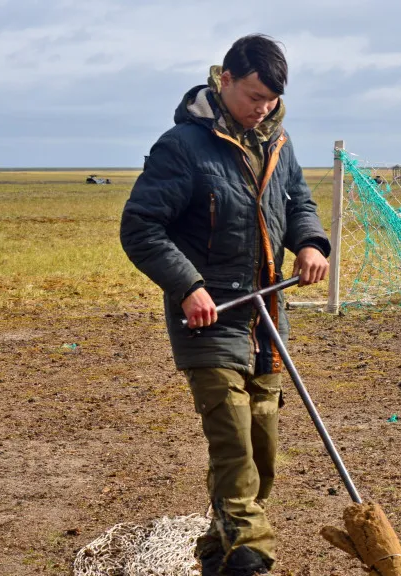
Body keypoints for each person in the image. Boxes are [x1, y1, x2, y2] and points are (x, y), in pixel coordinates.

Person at [120, 34, 331, 576]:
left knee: (262, 452)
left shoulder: (278, 143)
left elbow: (299, 202)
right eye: (253, 96)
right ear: (225, 80)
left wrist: (309, 243)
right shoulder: (182, 146)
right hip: (207, 319)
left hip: (266, 320)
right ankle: (250, 559)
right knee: (234, 443)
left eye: (271, 100)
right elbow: (141, 226)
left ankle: (217, 555)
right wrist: (187, 286)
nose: (261, 108)